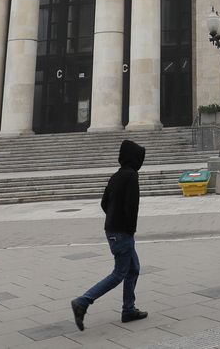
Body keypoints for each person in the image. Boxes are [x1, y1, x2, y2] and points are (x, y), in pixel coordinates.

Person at [71, 139, 147, 330]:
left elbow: (104, 203)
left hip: (112, 229)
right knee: (119, 273)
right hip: (123, 232)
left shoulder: (116, 176)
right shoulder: (131, 176)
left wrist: (114, 219)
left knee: (133, 269)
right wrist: (128, 227)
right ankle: (83, 301)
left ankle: (129, 309)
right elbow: (131, 207)